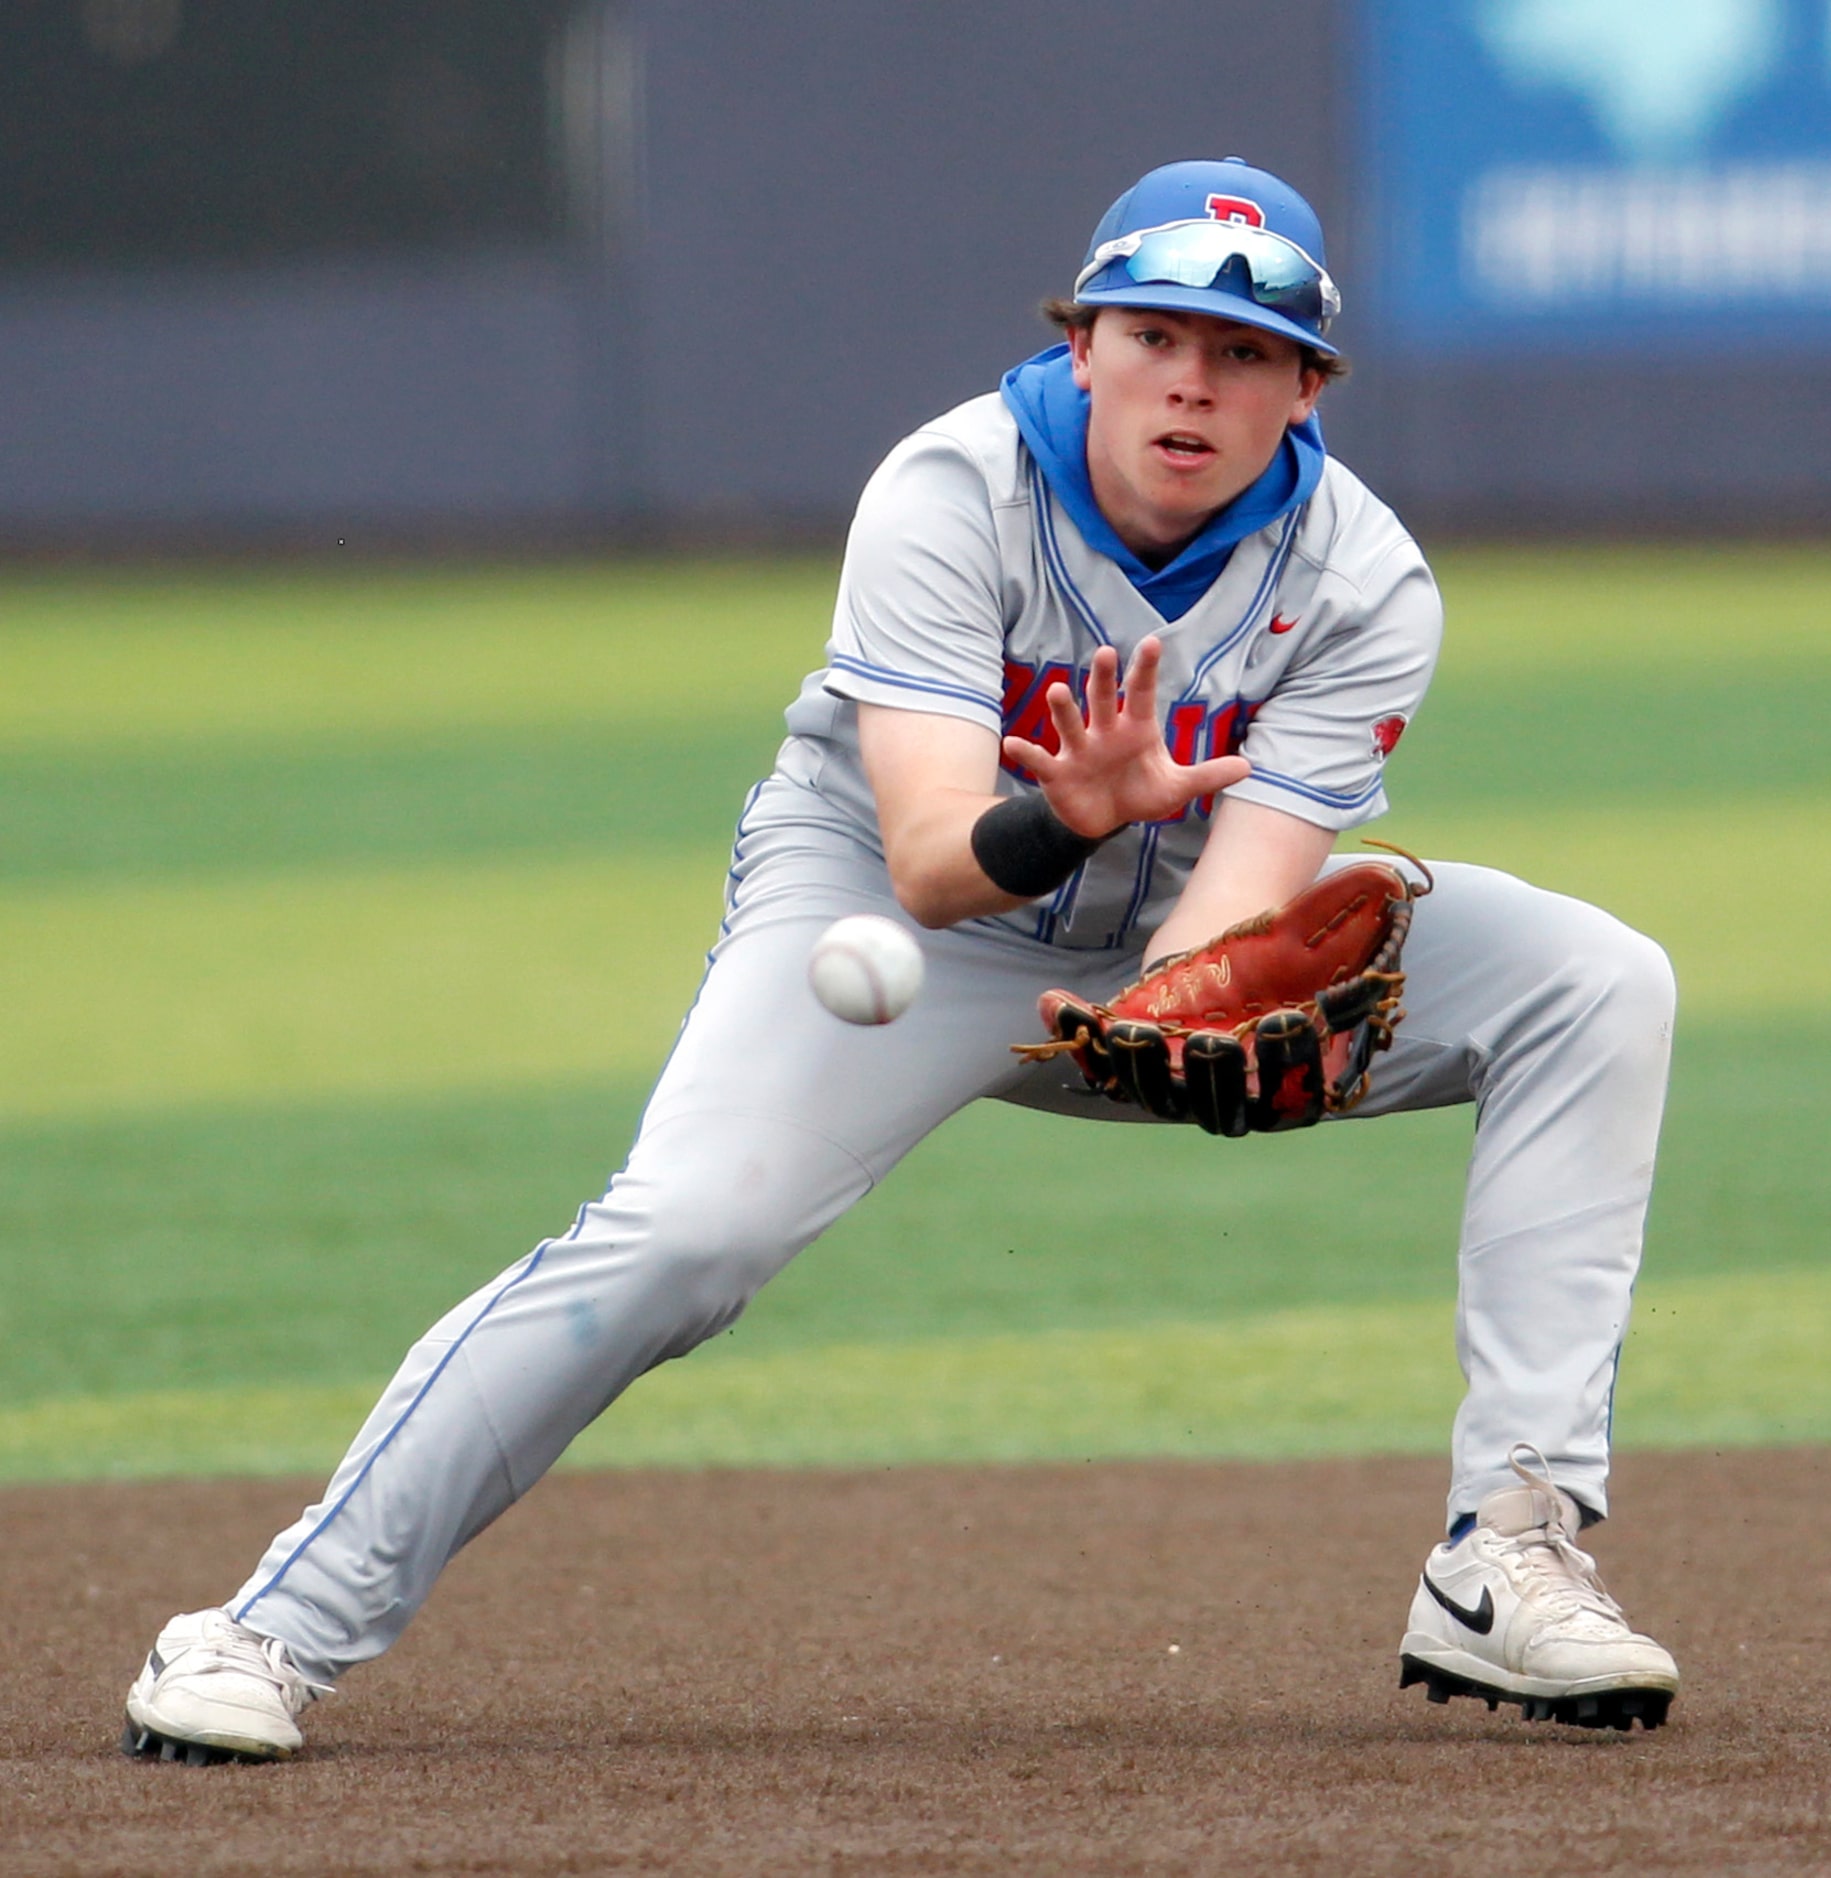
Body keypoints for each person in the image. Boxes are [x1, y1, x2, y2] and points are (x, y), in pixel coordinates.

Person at [122, 157, 1680, 1764]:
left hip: (1153, 939)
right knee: (683, 1235)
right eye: (1156, 334)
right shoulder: (953, 489)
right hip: (882, 909)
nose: (1193, 382)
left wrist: (1195, 998)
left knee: (1596, 979)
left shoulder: (1360, 579)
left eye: (1244, 352)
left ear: (1304, 387)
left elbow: (1236, 899)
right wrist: (1067, 811)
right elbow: (937, 860)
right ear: (1084, 344)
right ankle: (263, 1628)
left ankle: (1506, 1546)